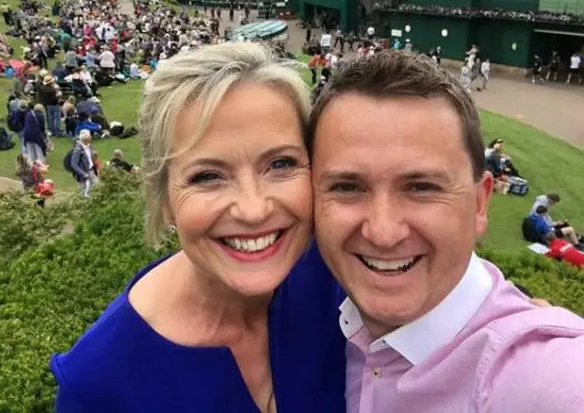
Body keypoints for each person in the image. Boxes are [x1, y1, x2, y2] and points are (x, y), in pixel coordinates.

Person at [50, 43, 346, 412]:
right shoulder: (99, 386)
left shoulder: (333, 276)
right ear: (165, 199)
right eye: (207, 176)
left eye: (281, 164)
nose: (253, 210)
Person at [309, 50, 584, 412]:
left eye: (421, 187)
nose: (383, 232)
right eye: (347, 187)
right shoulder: (309, 313)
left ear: (479, 204)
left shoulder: (543, 376)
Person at [69, 129, 99, 197]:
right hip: (82, 174)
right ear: (85, 139)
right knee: (83, 191)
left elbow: (89, 157)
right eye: (89, 139)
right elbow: (73, 164)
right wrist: (83, 174)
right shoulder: (78, 149)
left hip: (91, 170)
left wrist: (93, 155)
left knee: (97, 186)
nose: (90, 140)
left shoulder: (89, 145)